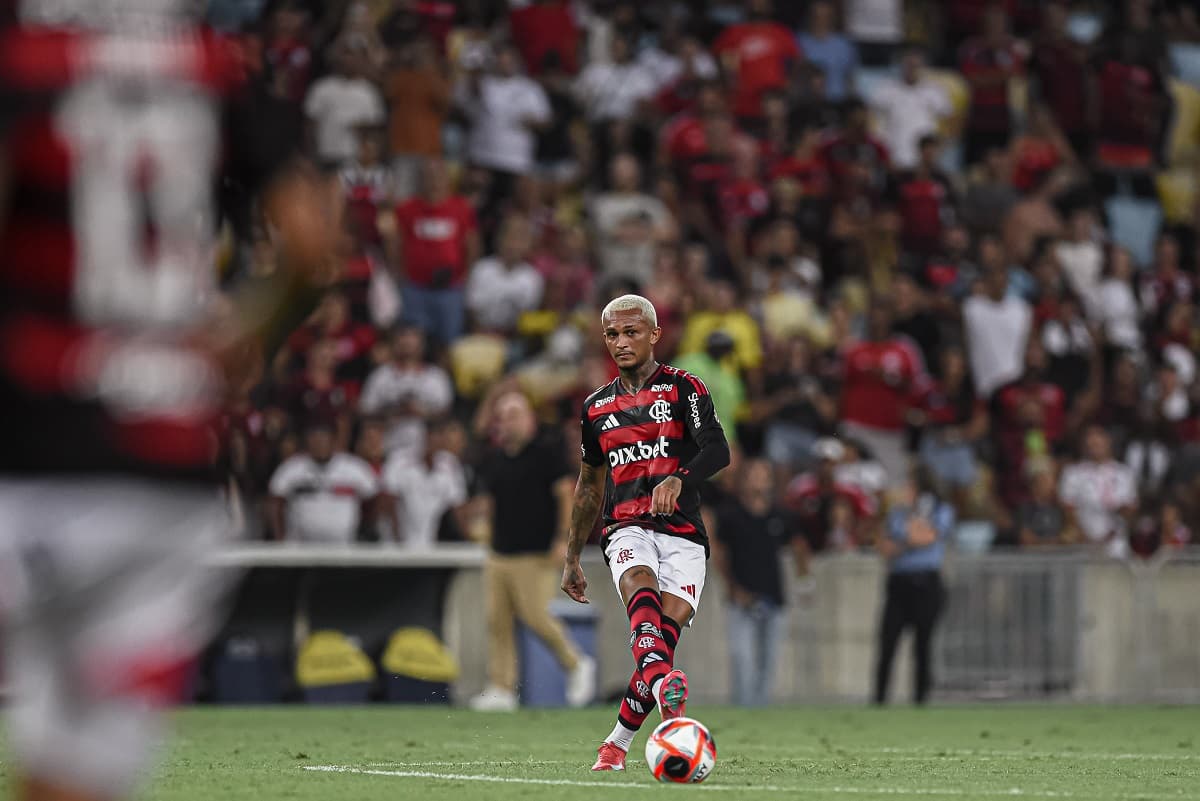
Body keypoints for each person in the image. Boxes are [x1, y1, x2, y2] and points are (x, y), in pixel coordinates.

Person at [0, 5, 340, 801]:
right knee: (77, 767)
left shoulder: (26, 64)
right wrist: (241, 334)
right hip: (166, 475)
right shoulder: (212, 67)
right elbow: (310, 243)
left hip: (33, 439)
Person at [560, 295, 730, 771]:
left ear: (654, 334)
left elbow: (718, 450)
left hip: (684, 535)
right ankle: (664, 697)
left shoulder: (684, 388)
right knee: (641, 592)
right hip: (626, 526)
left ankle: (615, 745)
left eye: (631, 332)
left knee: (658, 644)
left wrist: (680, 479)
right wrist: (572, 556)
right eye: (612, 334)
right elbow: (588, 486)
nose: (621, 342)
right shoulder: (596, 408)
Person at [469, 391, 596, 711]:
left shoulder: (546, 453)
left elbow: (565, 495)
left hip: (536, 553)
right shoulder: (495, 459)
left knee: (536, 616)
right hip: (499, 552)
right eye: (503, 416)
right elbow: (491, 503)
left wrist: (563, 539)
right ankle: (502, 688)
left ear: (529, 419)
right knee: (496, 620)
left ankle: (576, 663)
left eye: (514, 414)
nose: (508, 422)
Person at [712, 459, 805, 707]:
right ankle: (743, 708)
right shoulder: (730, 515)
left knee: (769, 661)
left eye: (763, 475)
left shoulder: (779, 515)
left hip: (774, 596)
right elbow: (720, 554)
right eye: (753, 475)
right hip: (742, 599)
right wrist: (733, 588)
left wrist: (804, 580)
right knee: (742, 658)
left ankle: (761, 710)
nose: (758, 481)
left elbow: (799, 545)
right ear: (744, 480)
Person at [873, 470, 954, 706]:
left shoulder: (941, 510)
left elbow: (927, 537)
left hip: (926, 582)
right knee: (888, 643)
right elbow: (885, 547)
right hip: (899, 582)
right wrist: (909, 537)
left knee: (922, 645)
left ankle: (921, 699)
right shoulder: (897, 513)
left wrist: (905, 538)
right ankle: (879, 699)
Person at [267, 418, 385, 543]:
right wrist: (279, 537)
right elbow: (275, 503)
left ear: (333, 440)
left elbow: (374, 498)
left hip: (345, 544)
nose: (319, 444)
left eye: (323, 439)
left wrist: (366, 528)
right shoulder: (291, 468)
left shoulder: (354, 467)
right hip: (300, 546)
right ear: (307, 441)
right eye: (314, 439)